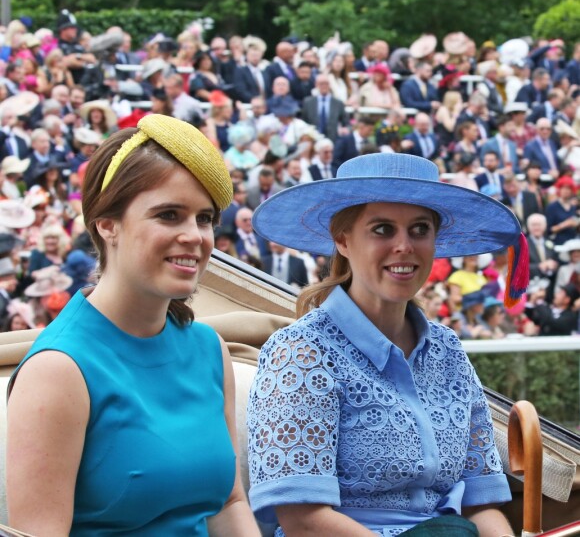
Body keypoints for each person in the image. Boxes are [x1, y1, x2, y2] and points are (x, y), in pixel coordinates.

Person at [7, 114, 260, 536]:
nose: (194, 236)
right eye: (169, 215)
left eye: (204, 218)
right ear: (106, 225)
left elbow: (228, 502)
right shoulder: (57, 371)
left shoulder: (208, 348)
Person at [248, 152, 525, 536]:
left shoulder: (448, 351)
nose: (404, 246)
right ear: (342, 239)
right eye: (382, 229)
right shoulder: (301, 351)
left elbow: (482, 503)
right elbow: (303, 521)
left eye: (419, 229)